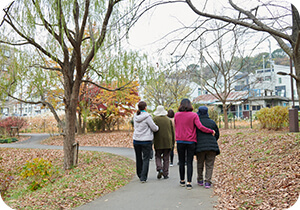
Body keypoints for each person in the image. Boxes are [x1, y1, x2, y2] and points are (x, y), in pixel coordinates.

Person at [174, 99, 215, 190]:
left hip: (180, 140)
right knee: (189, 162)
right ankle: (189, 182)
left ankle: (182, 180)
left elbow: (175, 126)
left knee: (181, 161)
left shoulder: (176, 115)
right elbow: (200, 127)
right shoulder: (194, 115)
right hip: (190, 141)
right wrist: (211, 131)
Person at [133, 101, 159, 183]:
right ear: (145, 107)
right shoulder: (147, 117)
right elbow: (154, 128)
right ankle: (143, 177)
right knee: (146, 159)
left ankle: (139, 174)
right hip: (146, 140)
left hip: (136, 139)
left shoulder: (135, 116)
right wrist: (157, 128)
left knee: (138, 158)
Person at [196, 106, 220, 189]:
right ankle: (208, 182)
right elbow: (217, 134)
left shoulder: (197, 122)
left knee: (200, 163)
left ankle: (200, 180)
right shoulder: (212, 122)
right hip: (212, 147)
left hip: (200, 146)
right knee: (209, 164)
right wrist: (213, 140)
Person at [153, 105, 175, 179]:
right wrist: (173, 143)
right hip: (168, 141)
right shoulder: (168, 120)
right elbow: (172, 132)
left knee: (158, 156)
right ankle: (165, 173)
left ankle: (159, 168)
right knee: (166, 158)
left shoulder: (155, 119)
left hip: (158, 140)